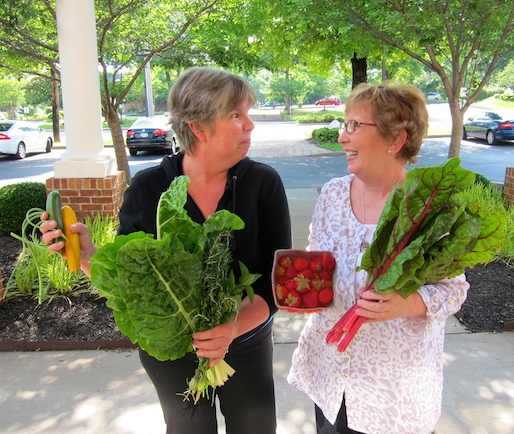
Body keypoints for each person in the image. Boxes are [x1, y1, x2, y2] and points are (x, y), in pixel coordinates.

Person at [42, 67, 292, 433]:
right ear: (198, 127)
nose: (250, 125)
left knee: (255, 427)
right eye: (237, 115)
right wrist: (87, 254)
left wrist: (231, 326)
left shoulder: (263, 183)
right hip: (173, 349)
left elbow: (276, 281)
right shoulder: (148, 188)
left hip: (246, 340)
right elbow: (132, 286)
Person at [287, 82, 470, 434]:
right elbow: (317, 258)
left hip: (392, 395)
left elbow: (454, 290)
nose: (342, 136)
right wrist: (305, 286)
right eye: (344, 124)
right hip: (329, 377)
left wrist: (407, 303)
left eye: (354, 126)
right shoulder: (332, 193)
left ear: (395, 139)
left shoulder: (428, 208)